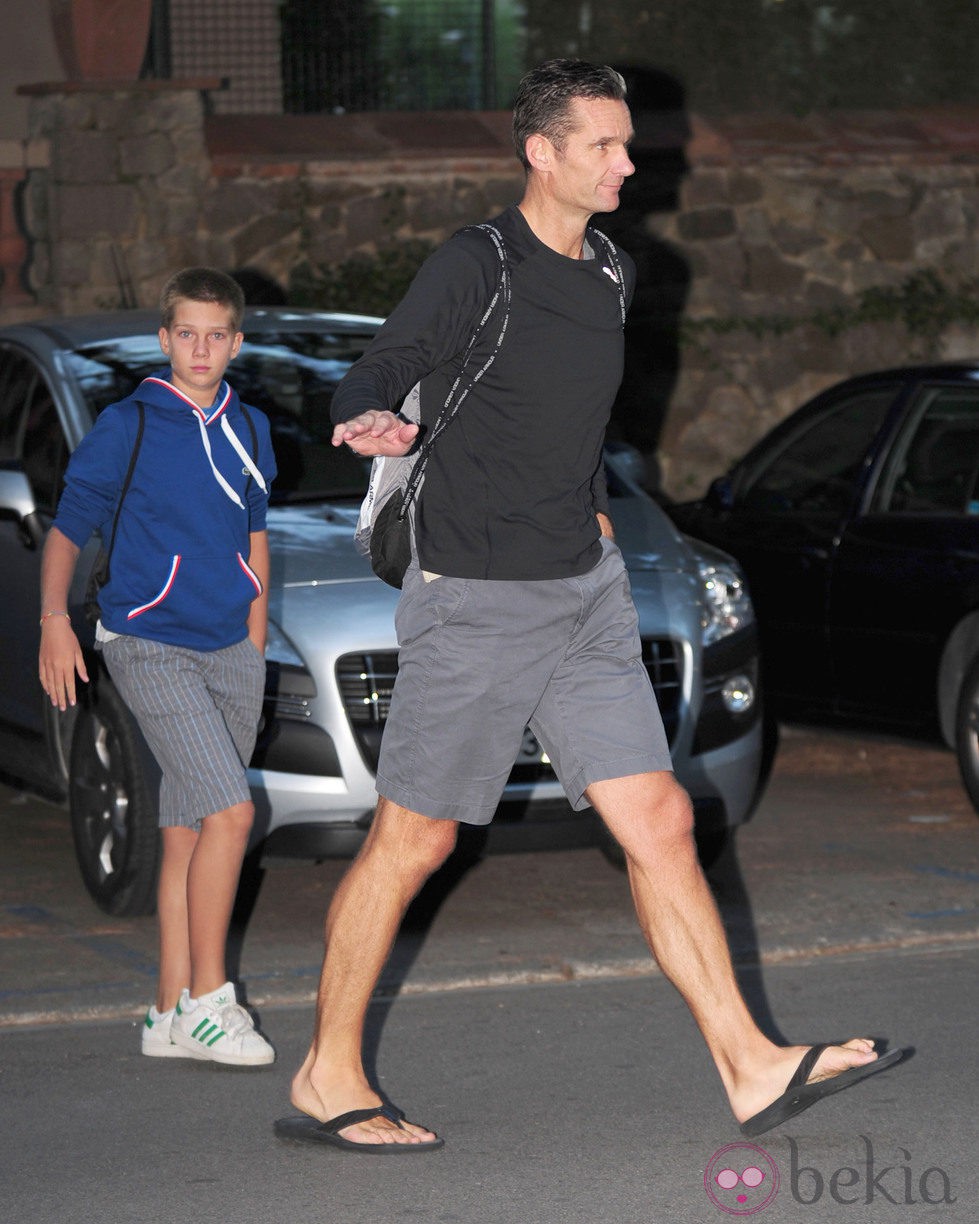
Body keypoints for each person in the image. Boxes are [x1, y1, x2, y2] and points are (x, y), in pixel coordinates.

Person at [276, 59, 902, 1152]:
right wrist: (368, 414)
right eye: (603, 146)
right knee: (412, 840)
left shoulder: (613, 269)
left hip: (582, 589)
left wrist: (597, 518)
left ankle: (749, 1064)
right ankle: (326, 1076)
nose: (626, 164)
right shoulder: (480, 263)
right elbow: (392, 360)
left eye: (626, 144)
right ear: (542, 153)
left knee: (657, 819)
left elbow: (565, 423)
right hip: (473, 594)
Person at [38, 267, 278, 1066]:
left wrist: (254, 637)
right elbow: (69, 528)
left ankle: (167, 1013)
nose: (202, 348)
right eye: (187, 333)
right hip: (147, 641)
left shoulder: (250, 427)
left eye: (217, 335)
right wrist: (53, 622)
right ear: (165, 339)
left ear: (236, 343)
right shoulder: (128, 424)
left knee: (186, 831)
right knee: (232, 816)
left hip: (228, 649)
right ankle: (213, 1002)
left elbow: (254, 532)